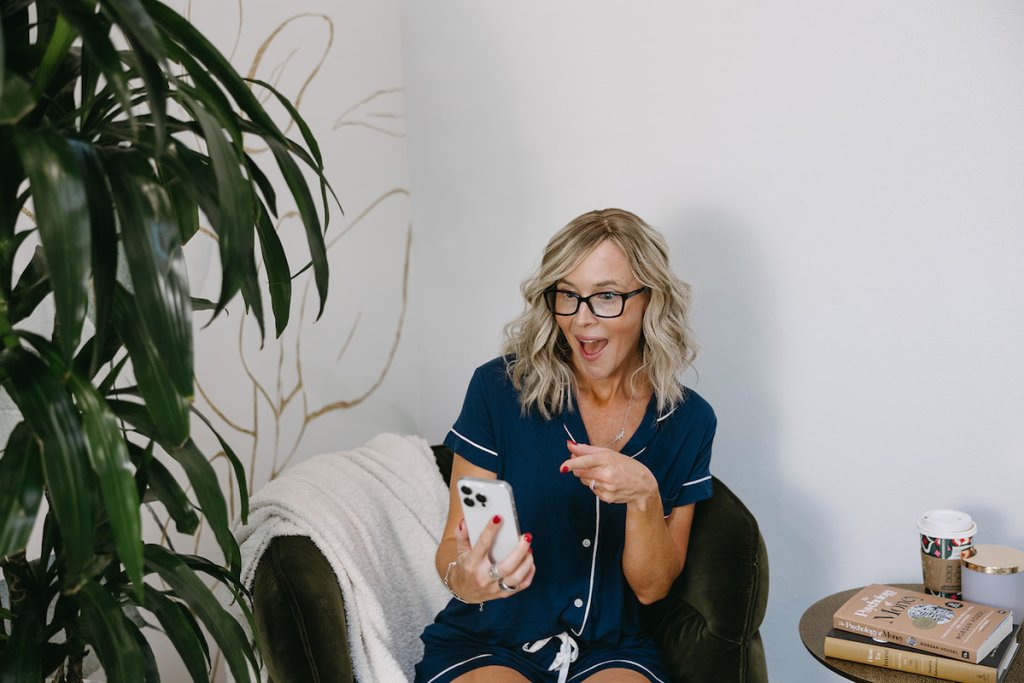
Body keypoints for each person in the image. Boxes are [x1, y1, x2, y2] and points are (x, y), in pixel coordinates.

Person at [415, 208, 717, 683]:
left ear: (649, 301)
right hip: (489, 642)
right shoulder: (498, 389)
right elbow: (453, 549)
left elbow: (652, 589)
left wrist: (643, 497)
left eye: (607, 297)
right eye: (568, 296)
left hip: (611, 649)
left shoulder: (688, 420)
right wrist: (468, 580)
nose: (582, 321)